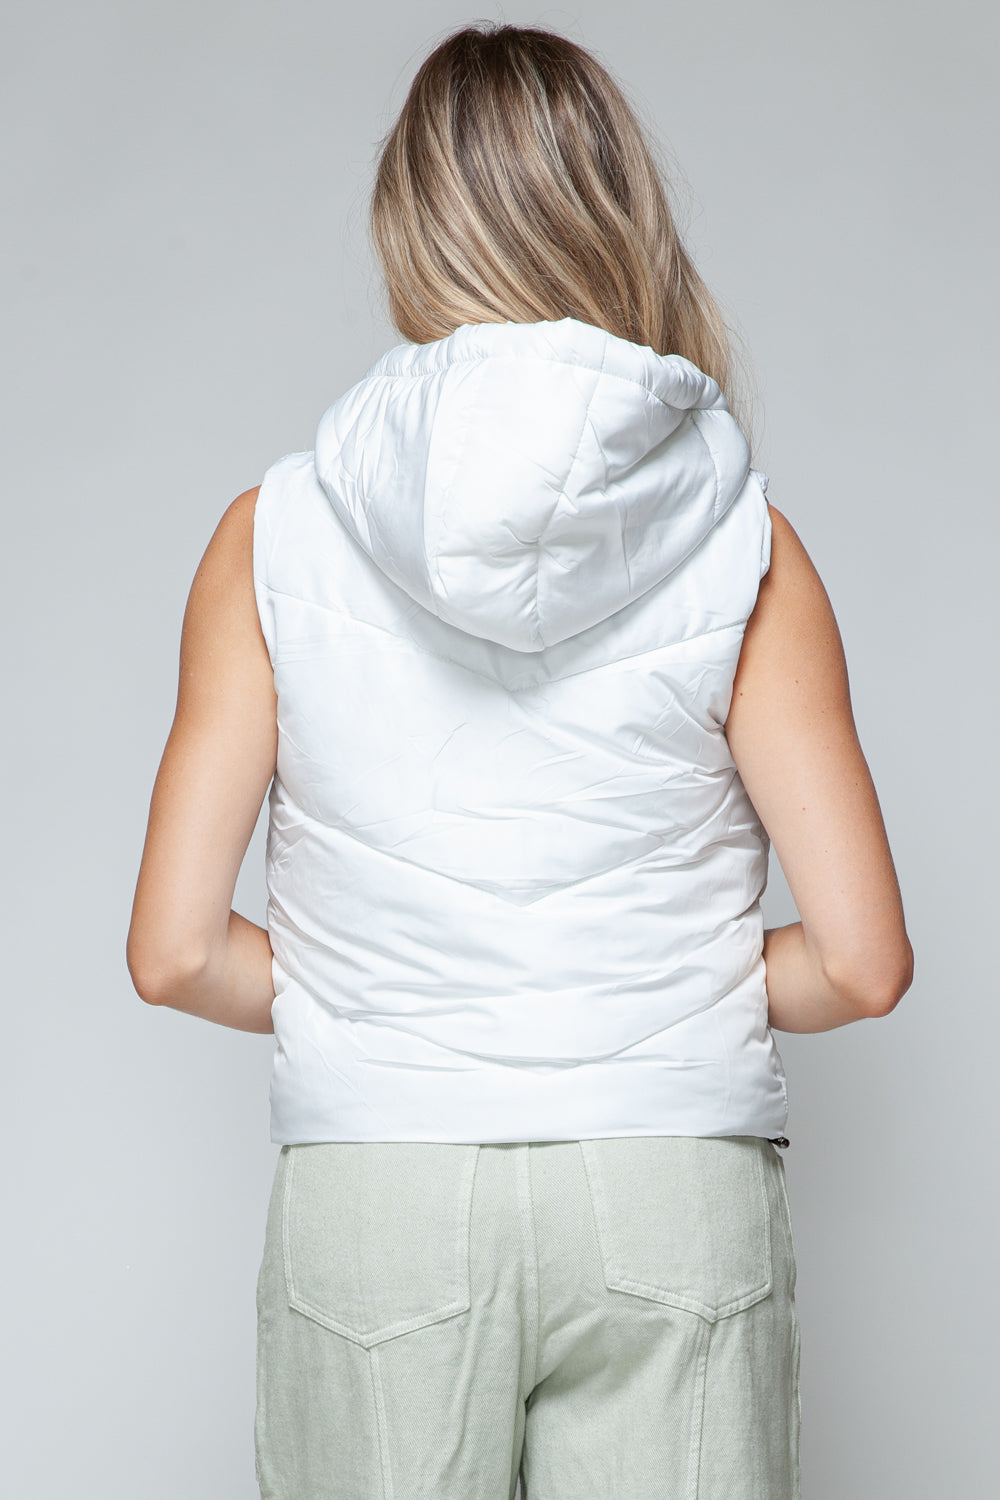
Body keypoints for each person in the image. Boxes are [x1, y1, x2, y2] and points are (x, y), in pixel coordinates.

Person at [126, 21, 914, 1500]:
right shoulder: (748, 544)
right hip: (672, 1188)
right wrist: (641, 985)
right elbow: (863, 966)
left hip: (381, 1197)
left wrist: (396, 991)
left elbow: (173, 953)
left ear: (409, 227)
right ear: (618, 215)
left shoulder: (268, 539)